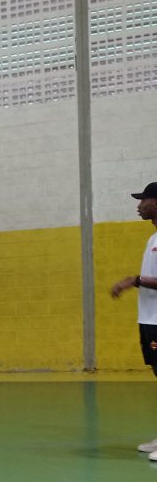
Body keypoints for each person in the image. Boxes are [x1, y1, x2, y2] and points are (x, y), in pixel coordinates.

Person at [110, 181, 157, 459]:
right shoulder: (153, 239)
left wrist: (133, 280)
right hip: (150, 319)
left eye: (143, 200)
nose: (139, 206)